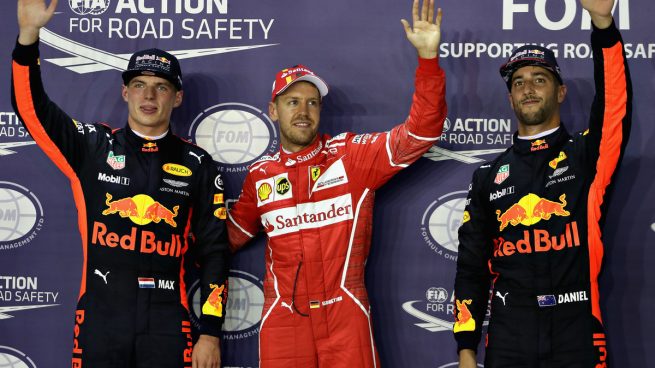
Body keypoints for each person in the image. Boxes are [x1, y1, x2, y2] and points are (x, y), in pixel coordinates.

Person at [226, 0, 447, 366]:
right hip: (284, 319)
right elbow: (225, 239)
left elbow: (421, 133)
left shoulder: (350, 156)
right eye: (292, 101)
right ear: (272, 109)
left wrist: (427, 60)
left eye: (312, 103)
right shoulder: (260, 176)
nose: (303, 112)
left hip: (345, 312)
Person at [11, 0, 229, 367]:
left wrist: (210, 332)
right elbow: (33, 111)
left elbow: (215, 254)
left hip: (166, 324)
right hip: (100, 319)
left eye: (161, 88)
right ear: (125, 92)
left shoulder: (199, 165)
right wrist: (29, 38)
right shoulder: (92, 146)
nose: (148, 96)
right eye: (139, 85)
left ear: (176, 98)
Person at [453, 0, 631, 367]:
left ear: (561, 92)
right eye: (518, 82)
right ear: (510, 97)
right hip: (510, 333)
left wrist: (603, 26)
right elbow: (471, 267)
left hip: (576, 329)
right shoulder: (487, 177)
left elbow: (614, 106)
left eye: (539, 79)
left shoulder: (587, 155)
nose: (528, 89)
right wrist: (466, 348)